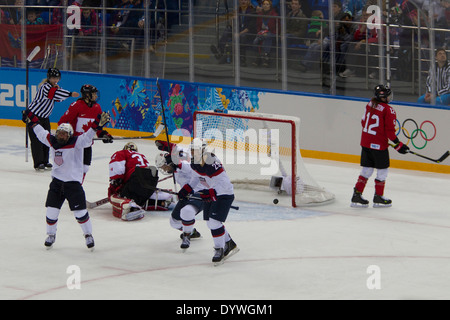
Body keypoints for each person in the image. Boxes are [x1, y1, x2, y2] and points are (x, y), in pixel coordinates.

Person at [22, 109, 111, 250]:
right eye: (59, 133)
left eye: (64, 134)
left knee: (80, 213)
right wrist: (31, 119)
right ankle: (51, 235)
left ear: (69, 135)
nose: (60, 135)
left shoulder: (77, 142)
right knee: (51, 211)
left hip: (73, 185)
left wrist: (97, 126)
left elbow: (88, 136)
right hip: (57, 183)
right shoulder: (52, 141)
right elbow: (40, 133)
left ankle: (88, 235)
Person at [178, 138, 239, 265]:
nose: (193, 151)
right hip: (213, 193)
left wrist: (212, 193)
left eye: (195, 149)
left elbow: (224, 183)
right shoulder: (195, 163)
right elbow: (196, 178)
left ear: (202, 150)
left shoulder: (212, 161)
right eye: (192, 149)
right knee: (211, 224)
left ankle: (219, 249)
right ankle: (229, 243)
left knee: (214, 222)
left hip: (224, 194)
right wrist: (187, 189)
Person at [351, 85, 409, 208]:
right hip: (378, 146)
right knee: (382, 171)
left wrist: (375, 136)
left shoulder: (370, 104)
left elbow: (363, 121)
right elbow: (390, 132)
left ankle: (356, 195)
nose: (389, 97)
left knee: (367, 170)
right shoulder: (389, 110)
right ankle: (378, 197)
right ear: (383, 98)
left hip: (366, 143)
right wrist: (399, 145)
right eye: (388, 95)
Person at [24, 68, 80, 171]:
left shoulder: (55, 87)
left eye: (57, 78)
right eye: (53, 78)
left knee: (47, 138)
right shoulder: (45, 87)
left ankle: (45, 161)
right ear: (49, 78)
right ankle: (38, 163)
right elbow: (54, 94)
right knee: (36, 140)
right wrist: (70, 94)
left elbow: (59, 98)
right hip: (33, 116)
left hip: (45, 117)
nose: (55, 80)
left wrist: (60, 91)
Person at [58, 84, 113, 180]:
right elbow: (62, 122)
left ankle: (76, 189)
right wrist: (68, 136)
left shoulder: (97, 107)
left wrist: (104, 135)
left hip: (87, 144)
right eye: (94, 93)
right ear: (87, 95)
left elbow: (98, 127)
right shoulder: (76, 106)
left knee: (84, 169)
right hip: (75, 145)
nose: (96, 95)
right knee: (72, 170)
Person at [108, 142, 173, 221]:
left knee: (117, 195)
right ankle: (162, 200)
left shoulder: (122, 153)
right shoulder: (142, 156)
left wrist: (114, 188)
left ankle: (130, 206)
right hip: (151, 179)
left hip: (136, 180)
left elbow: (117, 170)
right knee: (141, 195)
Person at [155, 149, 203, 250]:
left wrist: (178, 163)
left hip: (199, 194)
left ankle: (186, 236)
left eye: (164, 166)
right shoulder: (174, 171)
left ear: (170, 163)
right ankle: (192, 231)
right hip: (187, 195)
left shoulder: (184, 165)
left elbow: (191, 169)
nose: (164, 170)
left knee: (187, 212)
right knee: (174, 221)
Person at [210, 0, 256, 66]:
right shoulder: (237, 10)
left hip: (247, 32)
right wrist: (232, 19)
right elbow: (231, 26)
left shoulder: (252, 11)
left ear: (248, 1)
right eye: (241, 0)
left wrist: (239, 34)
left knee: (242, 36)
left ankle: (235, 58)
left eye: (245, 0)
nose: (243, 1)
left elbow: (250, 27)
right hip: (237, 31)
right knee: (227, 32)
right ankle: (220, 50)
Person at [252, 0, 279, 67]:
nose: (265, 6)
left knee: (267, 38)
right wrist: (259, 32)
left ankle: (266, 58)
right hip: (262, 32)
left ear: (270, 6)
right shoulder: (260, 15)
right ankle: (258, 56)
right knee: (255, 41)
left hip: (272, 32)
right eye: (264, 4)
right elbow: (258, 26)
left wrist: (268, 33)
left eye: (267, 4)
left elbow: (277, 28)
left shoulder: (274, 15)